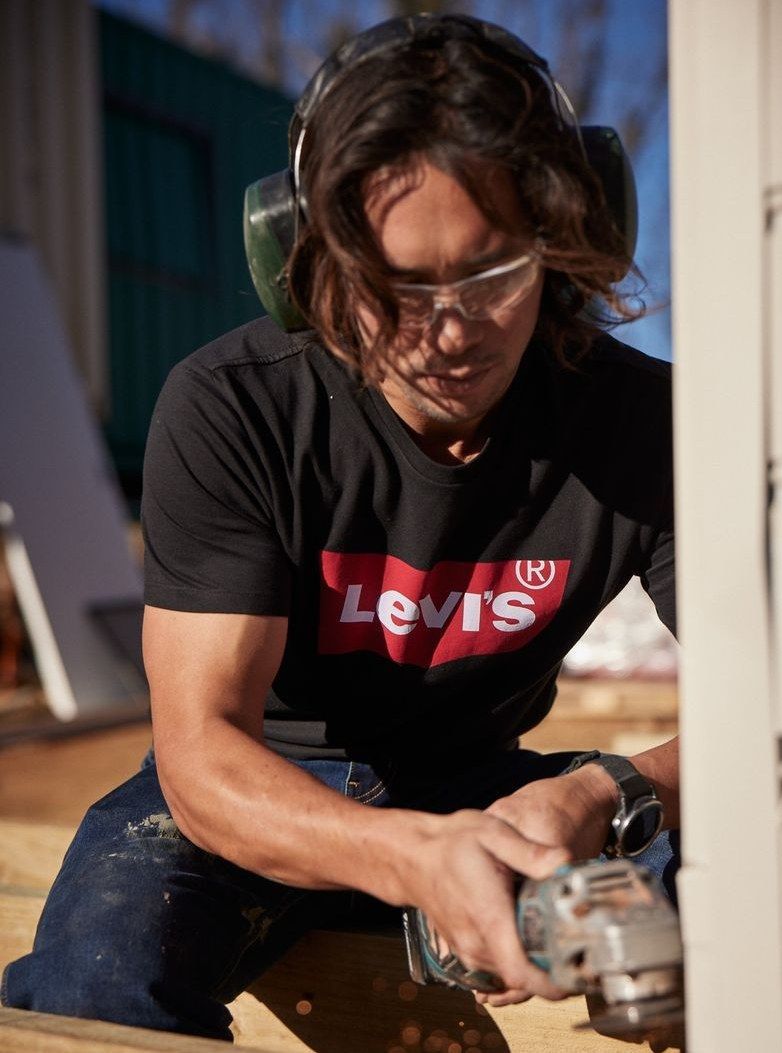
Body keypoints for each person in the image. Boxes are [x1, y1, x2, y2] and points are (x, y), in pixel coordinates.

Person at [2, 13, 679, 1041]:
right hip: (259, 788)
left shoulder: (640, 422)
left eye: (493, 274)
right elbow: (199, 755)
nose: (447, 334)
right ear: (303, 260)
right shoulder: (235, 407)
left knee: (763, 877)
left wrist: (609, 787)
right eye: (395, 286)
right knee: (99, 976)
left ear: (564, 240)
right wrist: (412, 858)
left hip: (488, 786)